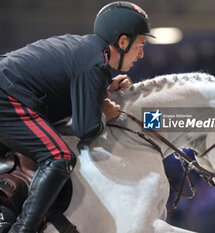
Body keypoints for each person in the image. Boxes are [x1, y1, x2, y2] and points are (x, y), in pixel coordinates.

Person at [0, 1, 154, 232]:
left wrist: (104, 87)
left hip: (9, 91)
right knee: (59, 156)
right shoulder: (95, 63)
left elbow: (63, 85)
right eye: (139, 45)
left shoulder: (89, 51)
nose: (141, 54)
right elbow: (86, 129)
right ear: (123, 42)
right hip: (7, 96)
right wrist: (104, 114)